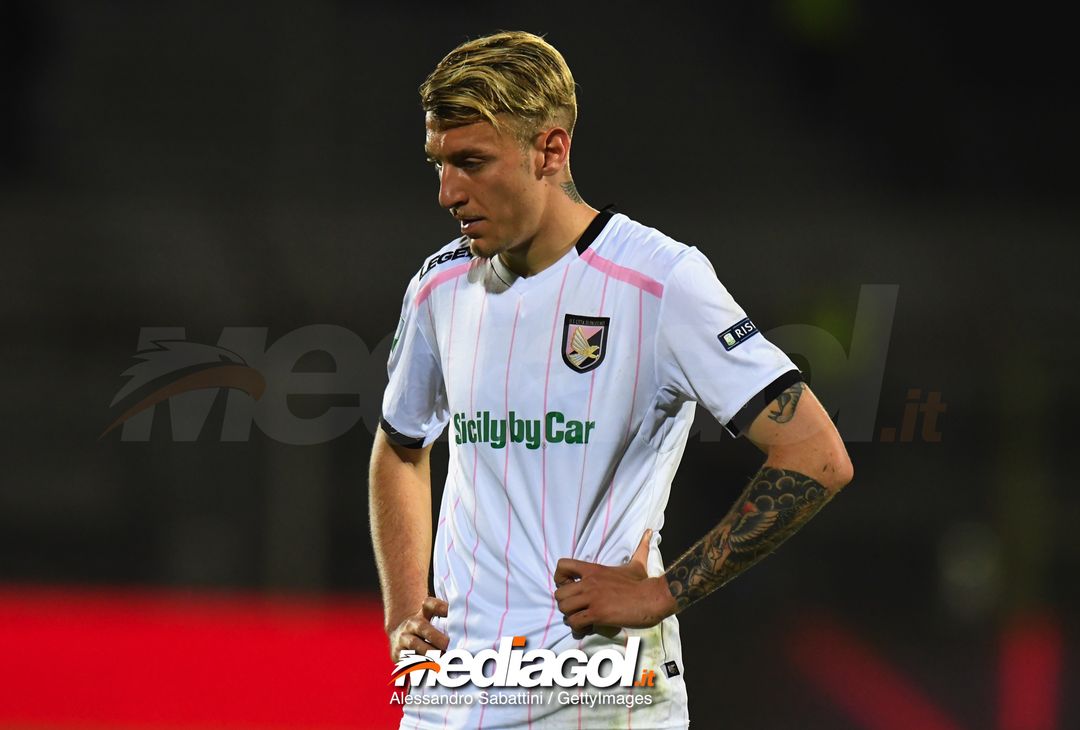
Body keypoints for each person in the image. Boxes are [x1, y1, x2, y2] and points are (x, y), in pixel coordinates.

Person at [369, 30, 853, 729]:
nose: (447, 191)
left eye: (472, 162)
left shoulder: (661, 280)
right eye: (438, 163)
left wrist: (664, 592)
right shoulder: (440, 284)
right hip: (452, 696)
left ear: (550, 150)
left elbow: (816, 454)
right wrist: (403, 612)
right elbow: (401, 444)